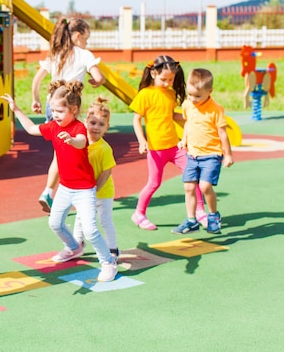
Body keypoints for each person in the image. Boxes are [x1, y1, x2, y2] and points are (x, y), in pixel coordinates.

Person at [2, 80, 118, 282]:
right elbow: (30, 128)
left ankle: (108, 262)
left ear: (73, 110)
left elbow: (81, 141)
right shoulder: (54, 126)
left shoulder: (79, 128)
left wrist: (72, 141)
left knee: (90, 230)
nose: (55, 115)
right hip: (65, 187)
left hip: (84, 189)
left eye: (60, 111)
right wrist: (16, 109)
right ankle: (74, 248)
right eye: (53, 110)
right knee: (55, 223)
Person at [30, 18, 105, 213]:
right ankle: (53, 191)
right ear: (78, 36)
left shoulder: (56, 54)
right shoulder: (83, 54)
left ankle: (51, 191)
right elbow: (98, 77)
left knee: (60, 151)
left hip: (51, 105)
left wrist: (35, 99)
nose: (86, 43)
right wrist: (97, 81)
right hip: (69, 109)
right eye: (86, 39)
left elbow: (37, 80)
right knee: (65, 151)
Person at [129, 55, 205, 231]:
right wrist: (142, 141)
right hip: (156, 149)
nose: (167, 83)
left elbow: (170, 115)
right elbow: (136, 120)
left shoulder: (170, 93)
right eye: (164, 79)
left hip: (175, 146)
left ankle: (200, 211)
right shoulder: (145, 94)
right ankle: (139, 213)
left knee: (193, 177)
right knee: (154, 183)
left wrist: (190, 118)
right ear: (154, 73)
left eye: (171, 79)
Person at [172, 69, 234, 234]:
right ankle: (191, 220)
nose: (193, 99)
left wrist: (228, 154)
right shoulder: (188, 105)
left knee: (205, 186)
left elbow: (222, 133)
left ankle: (213, 215)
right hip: (193, 155)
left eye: (197, 96)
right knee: (188, 187)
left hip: (211, 155)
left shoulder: (216, 109)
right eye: (190, 94)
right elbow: (188, 123)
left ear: (210, 91)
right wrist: (184, 140)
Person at [73, 97, 119, 260]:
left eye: (101, 124)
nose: (96, 127)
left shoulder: (105, 149)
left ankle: (113, 248)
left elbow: (107, 173)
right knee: (79, 218)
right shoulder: (81, 143)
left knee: (105, 221)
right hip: (85, 192)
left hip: (103, 192)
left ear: (106, 127)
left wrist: (94, 190)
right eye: (93, 123)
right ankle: (77, 245)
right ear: (86, 122)